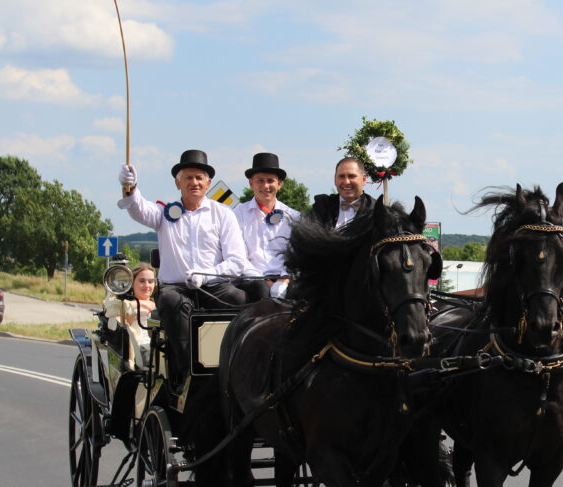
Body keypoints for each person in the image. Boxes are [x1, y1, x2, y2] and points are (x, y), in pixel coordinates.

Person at [117, 149, 248, 388]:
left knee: (239, 297)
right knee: (174, 302)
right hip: (176, 288)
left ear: (208, 183)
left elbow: (237, 261)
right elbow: (139, 210)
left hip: (213, 286)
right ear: (178, 183)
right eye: (188, 177)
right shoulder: (165, 214)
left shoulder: (223, 215)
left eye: (199, 178)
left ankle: (236, 368)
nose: (194, 182)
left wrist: (207, 276)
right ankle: (187, 373)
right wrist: (131, 187)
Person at [233, 152, 300, 299]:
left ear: (279, 184)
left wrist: (284, 279)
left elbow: (296, 254)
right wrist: (265, 282)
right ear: (251, 183)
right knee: (260, 290)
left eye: (270, 181)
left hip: (285, 277)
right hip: (253, 279)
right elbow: (238, 255)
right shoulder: (237, 214)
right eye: (260, 181)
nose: (265, 186)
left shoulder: (293, 216)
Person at [102, 263, 156, 369]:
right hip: (137, 344)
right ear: (132, 283)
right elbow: (121, 319)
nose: (147, 285)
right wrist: (142, 304)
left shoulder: (160, 303)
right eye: (142, 281)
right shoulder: (122, 304)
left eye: (150, 281)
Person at [310, 156, 374, 229]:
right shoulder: (322, 205)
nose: (346, 182)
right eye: (341, 176)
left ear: (364, 179)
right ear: (335, 180)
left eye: (351, 176)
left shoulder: (374, 211)